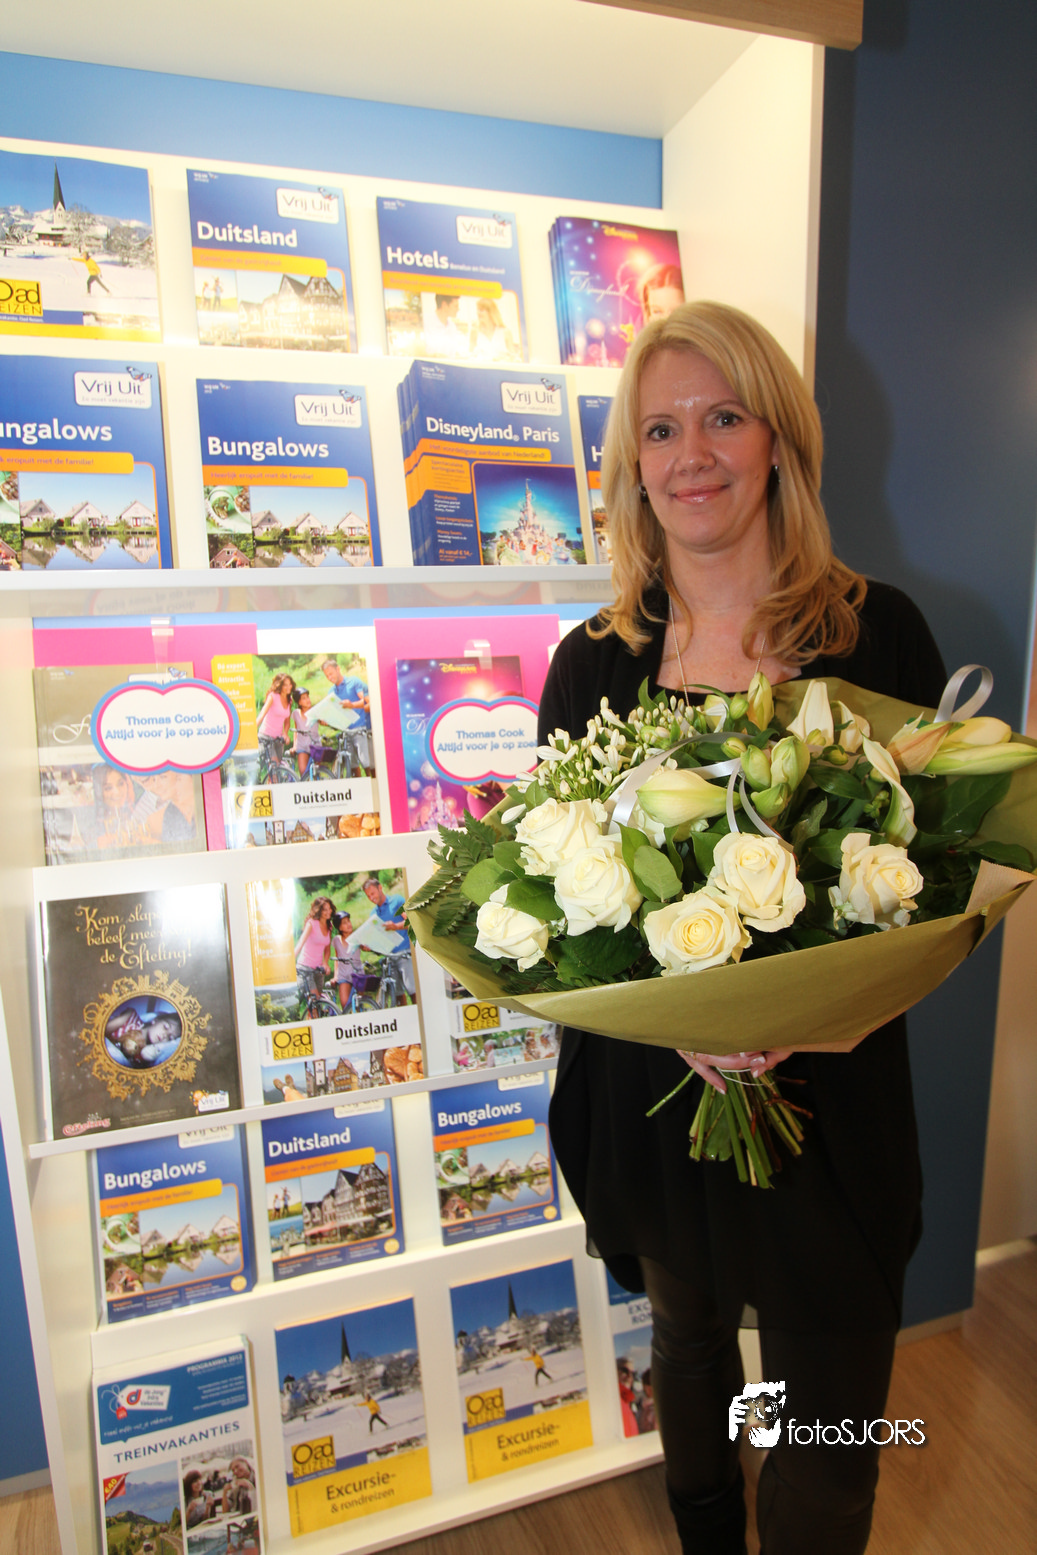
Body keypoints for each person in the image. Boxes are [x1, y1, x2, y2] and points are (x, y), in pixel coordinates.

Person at [536, 300, 946, 1555]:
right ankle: (707, 1530)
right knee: (688, 1337)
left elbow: (933, 882)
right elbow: (557, 896)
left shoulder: (877, 633)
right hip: (657, 1099)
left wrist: (811, 1015)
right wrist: (676, 1017)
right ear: (631, 466)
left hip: (830, 1102)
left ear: (778, 440)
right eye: (659, 430)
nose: (691, 455)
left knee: (829, 1409)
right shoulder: (590, 664)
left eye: (722, 417)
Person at [295, 896, 334, 1010]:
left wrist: (325, 963)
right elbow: (301, 942)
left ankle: (311, 1019)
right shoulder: (311, 924)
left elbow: (327, 948)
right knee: (315, 1001)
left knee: (314, 1008)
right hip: (305, 968)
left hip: (318, 970)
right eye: (325, 909)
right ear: (319, 910)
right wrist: (290, 960)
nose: (328, 911)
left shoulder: (329, 926)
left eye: (329, 908)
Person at [330, 911, 365, 1010]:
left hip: (357, 974)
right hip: (343, 975)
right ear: (340, 928)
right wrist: (335, 976)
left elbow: (365, 947)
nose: (349, 924)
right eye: (345, 923)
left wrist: (366, 946)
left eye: (349, 921)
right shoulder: (336, 940)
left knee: (358, 1005)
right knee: (345, 1006)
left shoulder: (357, 937)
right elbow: (337, 958)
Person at [469, 296, 519, 360]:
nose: (478, 313)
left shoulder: (505, 332)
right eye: (477, 310)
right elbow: (470, 355)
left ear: (490, 312)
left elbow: (514, 357)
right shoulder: (475, 331)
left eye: (481, 310)